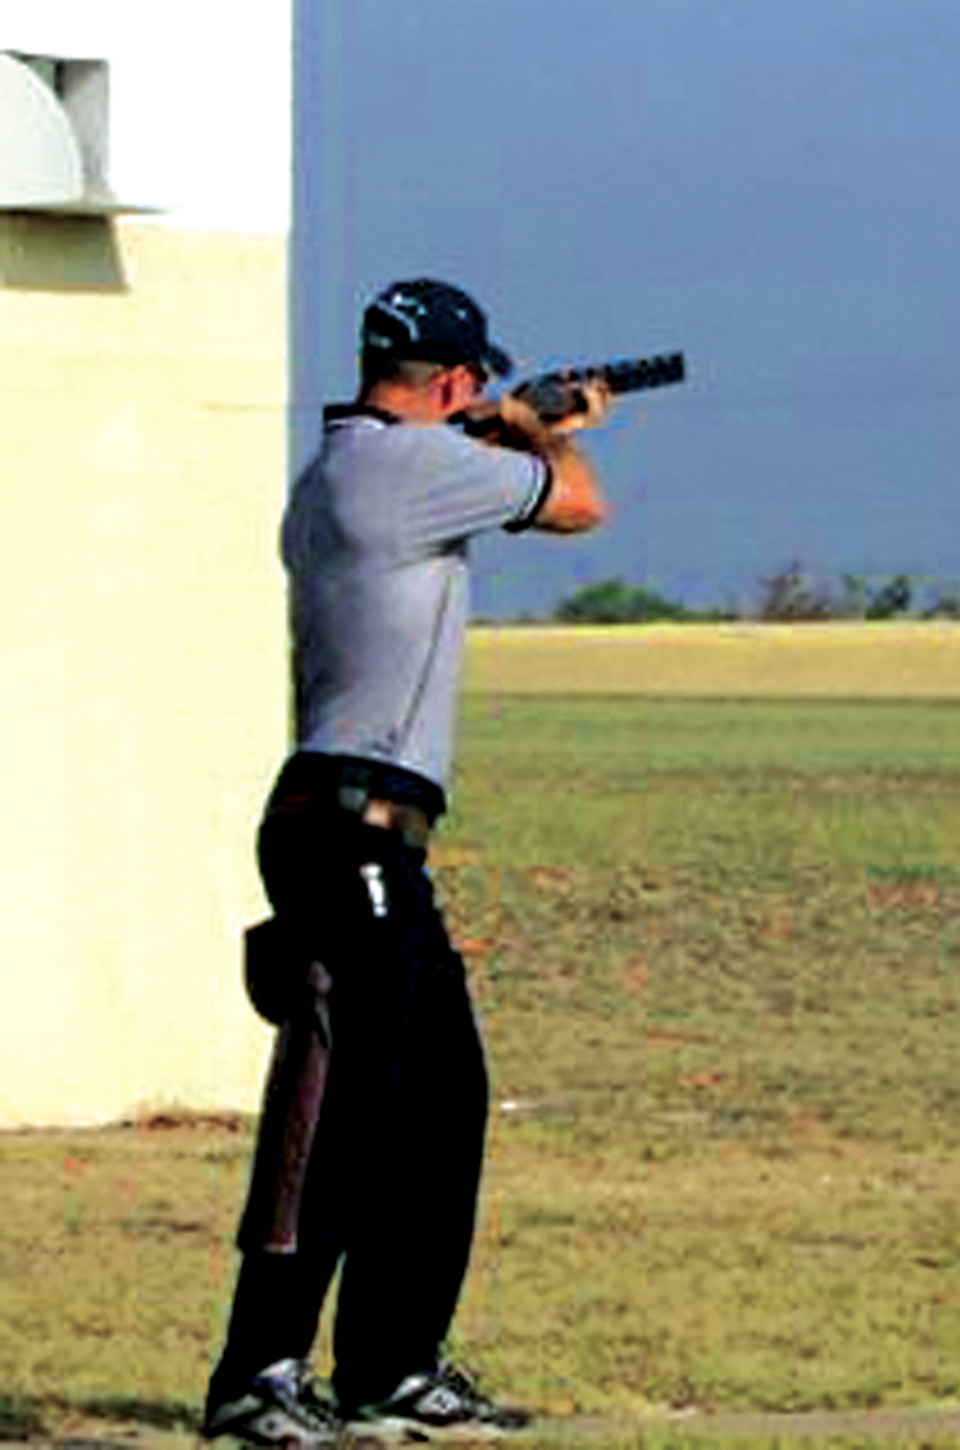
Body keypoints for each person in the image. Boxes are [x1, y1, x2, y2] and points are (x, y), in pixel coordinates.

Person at [200, 278, 610, 1446]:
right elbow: (582, 505)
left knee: (437, 1099)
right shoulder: (408, 467)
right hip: (350, 825)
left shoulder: (346, 468)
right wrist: (537, 431)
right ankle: (259, 1370)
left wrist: (505, 428)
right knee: (337, 1111)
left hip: (368, 825)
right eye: (474, 381)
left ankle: (388, 1365)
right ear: (450, 381)